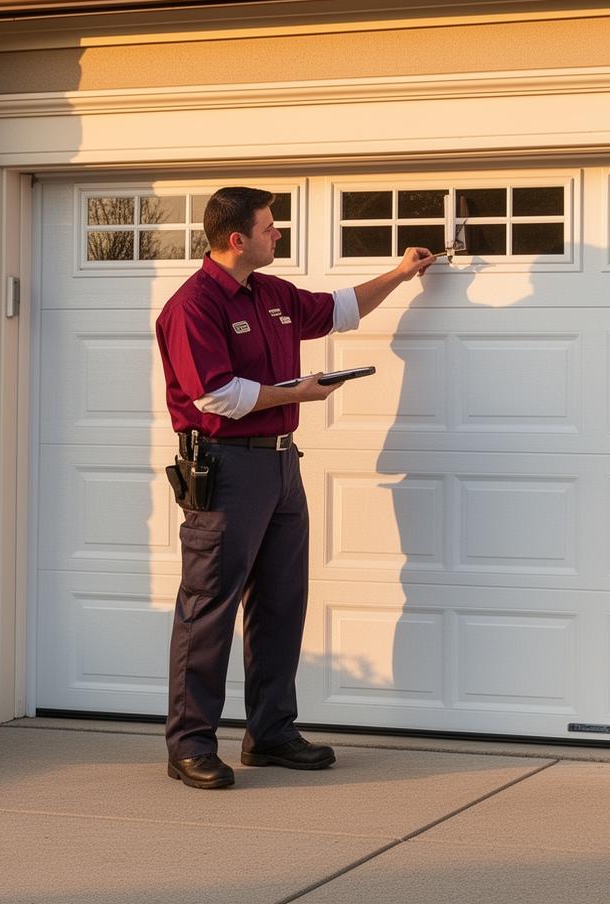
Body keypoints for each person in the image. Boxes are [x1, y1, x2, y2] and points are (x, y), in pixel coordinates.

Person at [155, 186, 437, 789]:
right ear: (238, 239)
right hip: (225, 468)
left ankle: (272, 733)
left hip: (283, 468)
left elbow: (339, 309)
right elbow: (216, 395)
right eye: (270, 227)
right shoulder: (193, 305)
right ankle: (191, 745)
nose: (277, 234)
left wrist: (401, 273)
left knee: (282, 604)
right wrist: (299, 392)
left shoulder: (272, 294)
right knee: (208, 608)